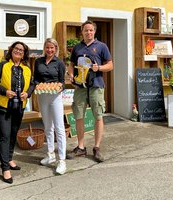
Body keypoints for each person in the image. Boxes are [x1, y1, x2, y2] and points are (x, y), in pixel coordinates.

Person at [68, 20, 113, 162]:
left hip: (96, 86)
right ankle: (81, 147)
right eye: (86, 30)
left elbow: (110, 65)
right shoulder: (77, 48)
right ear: (82, 32)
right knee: (79, 116)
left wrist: (98, 68)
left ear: (94, 31)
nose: (88, 32)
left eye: (91, 30)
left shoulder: (101, 46)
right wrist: (70, 75)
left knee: (98, 116)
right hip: (80, 87)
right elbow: (71, 64)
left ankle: (97, 147)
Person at [0, 41, 34, 184]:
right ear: (11, 50)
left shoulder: (27, 69)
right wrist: (5, 91)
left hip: (19, 107)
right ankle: (5, 169)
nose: (18, 51)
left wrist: (27, 94)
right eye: (16, 49)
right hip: (4, 107)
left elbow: (32, 84)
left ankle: (9, 159)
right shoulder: (3, 66)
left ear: (24, 54)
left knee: (13, 134)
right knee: (5, 136)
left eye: (21, 50)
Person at [33, 38, 67, 175]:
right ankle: (50, 154)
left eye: (52, 48)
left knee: (59, 127)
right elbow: (35, 78)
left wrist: (59, 87)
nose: (49, 50)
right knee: (47, 126)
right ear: (44, 48)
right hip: (42, 95)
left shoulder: (59, 63)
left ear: (56, 48)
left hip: (55, 97)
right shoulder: (38, 61)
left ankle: (62, 160)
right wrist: (37, 85)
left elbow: (63, 82)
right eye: (47, 47)